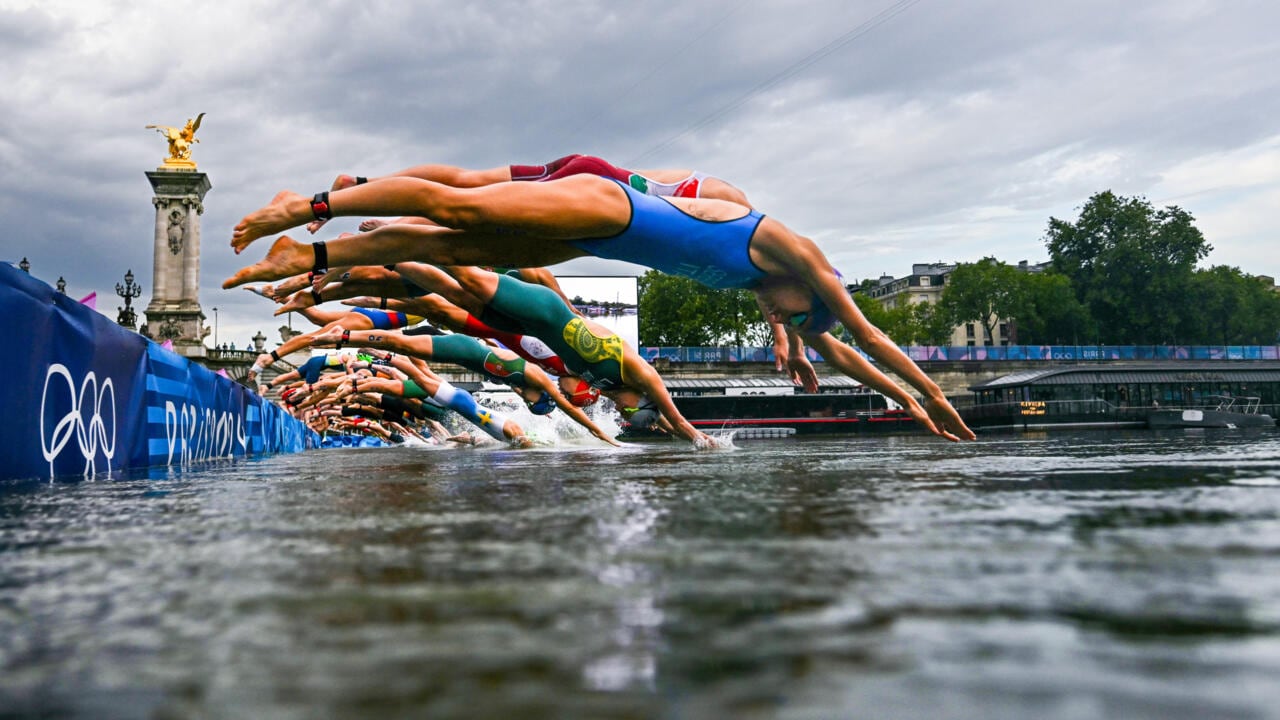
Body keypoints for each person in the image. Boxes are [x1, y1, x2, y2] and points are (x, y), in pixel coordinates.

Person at [226, 173, 975, 441]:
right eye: (800, 321)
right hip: (608, 204)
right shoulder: (795, 252)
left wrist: (906, 405)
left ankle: (314, 261)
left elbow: (845, 352)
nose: (794, 328)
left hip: (599, 240)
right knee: (457, 208)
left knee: (458, 249)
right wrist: (934, 392)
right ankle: (310, 208)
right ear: (813, 289)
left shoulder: (774, 294)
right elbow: (867, 333)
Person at [308, 325, 621, 446]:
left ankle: (364, 353)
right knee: (411, 366)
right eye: (530, 402)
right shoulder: (537, 378)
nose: (524, 400)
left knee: (413, 372)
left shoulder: (523, 384)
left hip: (468, 366)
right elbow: (564, 404)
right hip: (465, 353)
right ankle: (354, 342)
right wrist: (601, 434)